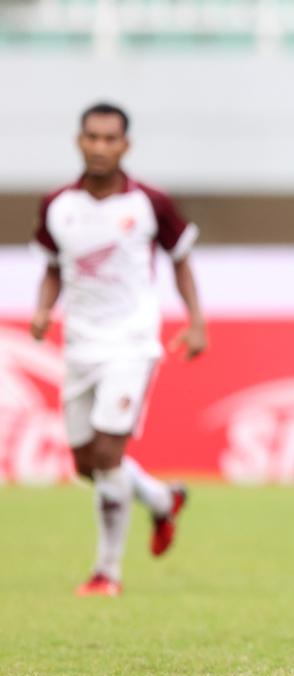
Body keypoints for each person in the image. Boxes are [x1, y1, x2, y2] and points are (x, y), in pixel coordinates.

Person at [31, 102, 205, 597]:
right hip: (80, 344)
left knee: (108, 452)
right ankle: (161, 498)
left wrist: (196, 321)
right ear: (79, 141)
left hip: (131, 340)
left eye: (111, 138)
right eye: (92, 137)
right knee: (85, 463)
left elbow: (181, 259)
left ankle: (106, 572)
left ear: (125, 145)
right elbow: (50, 267)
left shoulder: (150, 202)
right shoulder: (57, 205)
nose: (101, 146)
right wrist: (44, 310)